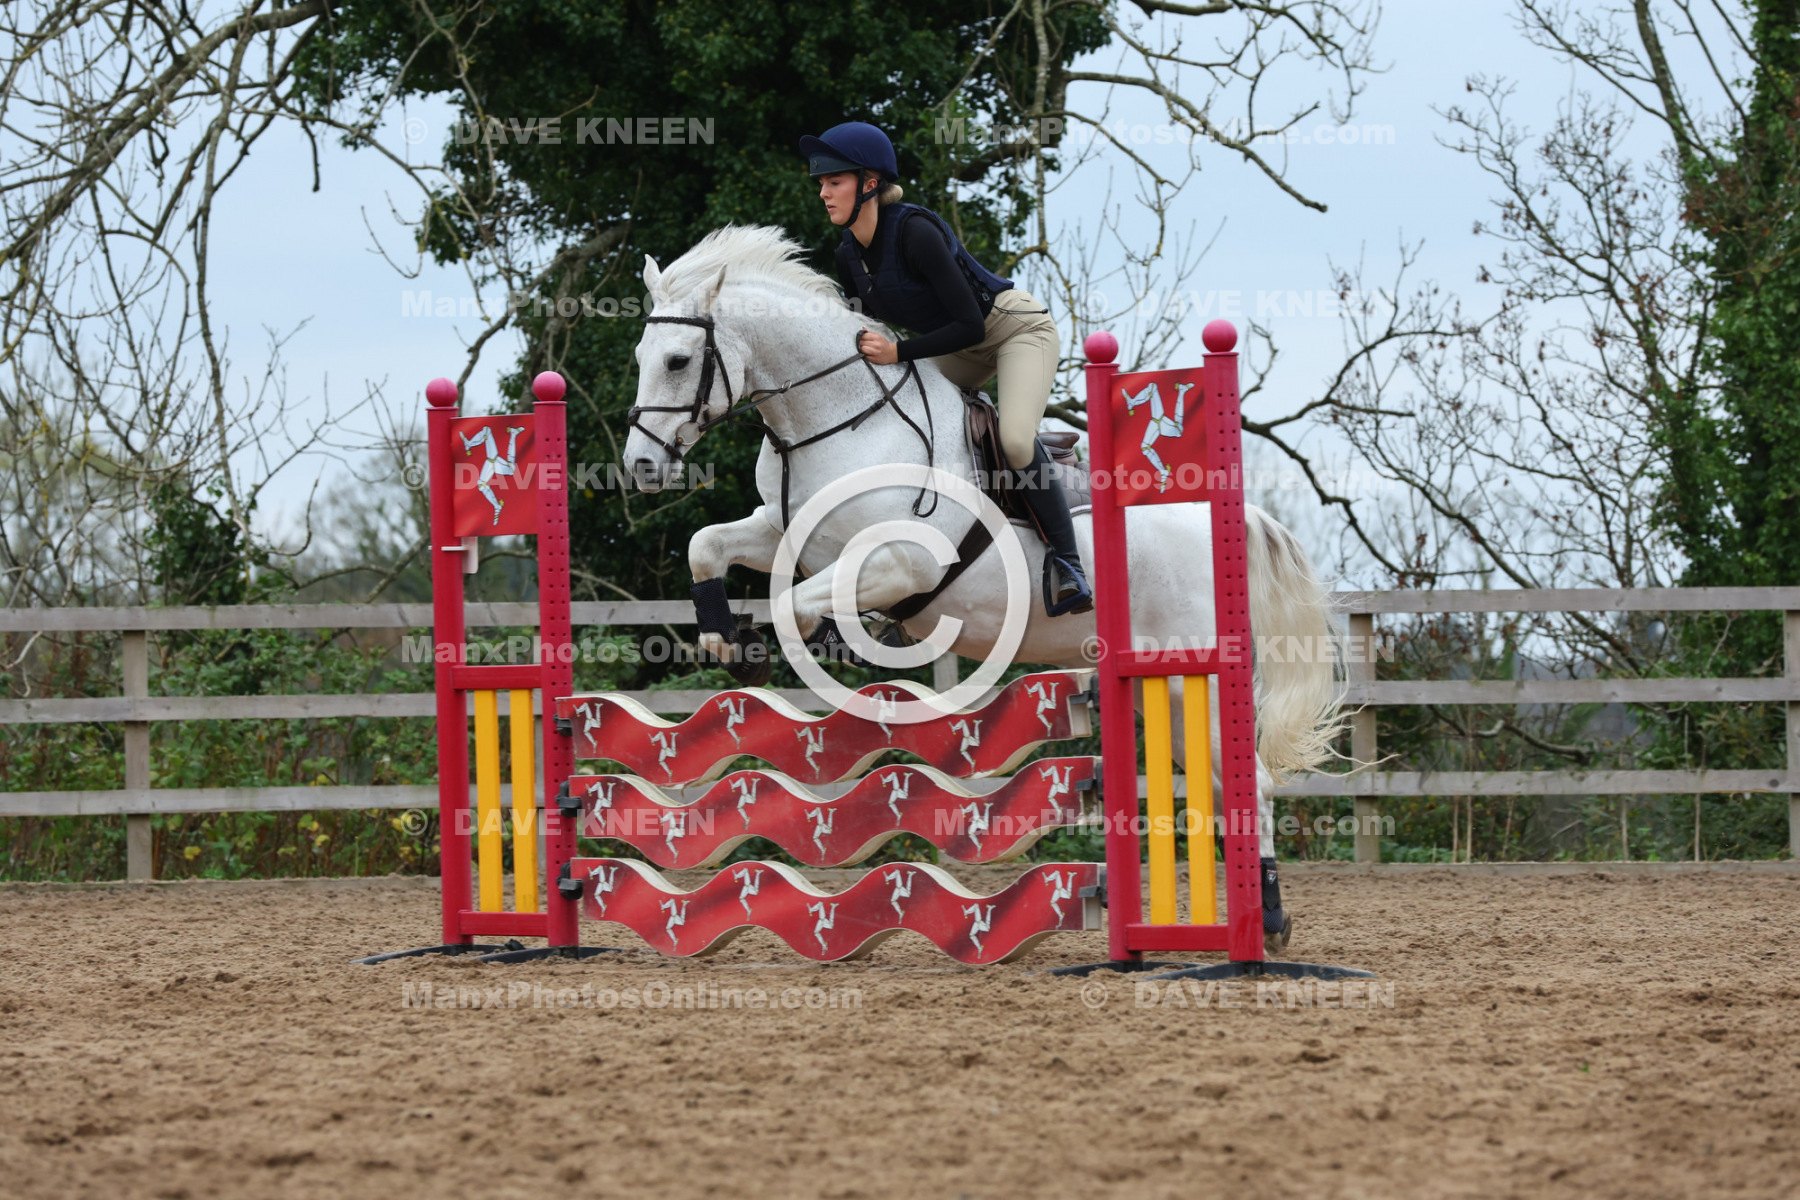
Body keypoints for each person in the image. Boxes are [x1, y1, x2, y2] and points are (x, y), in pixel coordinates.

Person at [798, 121, 1092, 617]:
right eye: (822, 184)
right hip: (955, 344)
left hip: (1014, 331)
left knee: (1016, 439)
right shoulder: (847, 255)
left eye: (834, 181)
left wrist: (898, 353)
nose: (823, 193)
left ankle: (1069, 563)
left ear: (870, 184)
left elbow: (971, 325)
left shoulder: (915, 232)